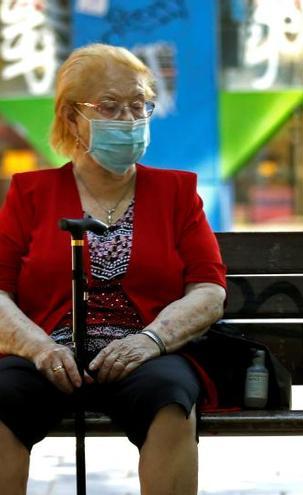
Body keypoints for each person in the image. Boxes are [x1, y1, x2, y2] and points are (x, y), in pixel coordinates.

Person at [0, 44, 227, 495]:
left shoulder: (176, 192)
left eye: (140, 105)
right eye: (110, 106)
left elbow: (208, 288)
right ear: (71, 118)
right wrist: (39, 348)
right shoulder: (30, 193)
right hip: (47, 351)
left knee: (171, 399)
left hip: (143, 352)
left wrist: (152, 339)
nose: (129, 119)